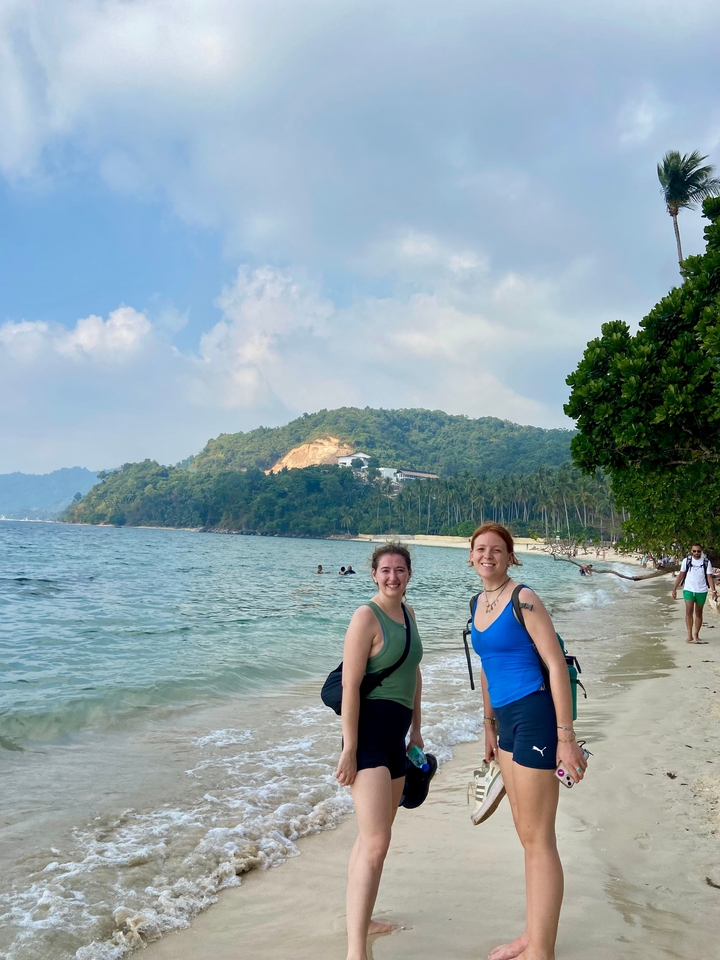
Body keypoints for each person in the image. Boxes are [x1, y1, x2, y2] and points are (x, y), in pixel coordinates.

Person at [469, 522, 587, 960]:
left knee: (539, 837)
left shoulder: (524, 598)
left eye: (496, 550)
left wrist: (565, 737)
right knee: (525, 834)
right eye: (480, 549)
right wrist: (487, 725)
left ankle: (543, 951)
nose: (487, 556)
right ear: (471, 556)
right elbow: (486, 667)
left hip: (538, 717)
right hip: (506, 722)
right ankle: (533, 936)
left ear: (510, 556)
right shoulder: (477, 603)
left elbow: (555, 666)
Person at [335, 543, 424, 960]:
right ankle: (357, 950)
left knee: (373, 839)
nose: (393, 577)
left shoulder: (408, 615)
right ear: (373, 574)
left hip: (396, 738)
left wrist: (417, 732)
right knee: (377, 842)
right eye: (385, 570)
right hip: (368, 736)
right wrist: (350, 749)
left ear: (409, 574)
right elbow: (351, 686)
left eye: (400, 570)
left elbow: (414, 674)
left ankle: (362, 918)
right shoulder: (365, 616)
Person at [672, 544, 718, 643]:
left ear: (701, 551)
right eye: (694, 551)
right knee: (688, 610)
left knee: (698, 612)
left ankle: (696, 634)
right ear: (691, 551)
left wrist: (714, 591)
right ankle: (689, 635)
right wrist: (674, 588)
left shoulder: (706, 562)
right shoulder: (686, 561)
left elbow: (709, 577)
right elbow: (681, 575)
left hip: (701, 590)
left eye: (698, 551)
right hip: (688, 589)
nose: (696, 553)